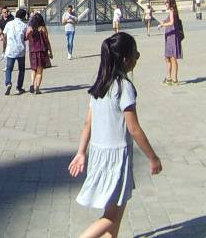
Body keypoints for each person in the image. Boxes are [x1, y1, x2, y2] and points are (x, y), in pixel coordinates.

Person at [69, 32, 162, 237]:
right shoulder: (124, 87)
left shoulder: (100, 86)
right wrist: (153, 157)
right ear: (125, 59)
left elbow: (87, 123)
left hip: (98, 154)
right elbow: (134, 128)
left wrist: (81, 152)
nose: (138, 58)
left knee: (115, 213)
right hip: (116, 157)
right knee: (111, 216)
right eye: (136, 54)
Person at [157, 0, 184, 85]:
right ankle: (169, 78)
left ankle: (174, 79)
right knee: (167, 58)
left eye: (167, 2)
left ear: (171, 3)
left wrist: (162, 25)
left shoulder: (172, 10)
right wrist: (163, 21)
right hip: (170, 37)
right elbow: (171, 20)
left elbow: (172, 22)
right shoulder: (172, 11)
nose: (165, 4)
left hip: (172, 37)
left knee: (172, 58)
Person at [3, 8, 29, 95]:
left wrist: (4, 49)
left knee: (9, 69)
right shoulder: (24, 25)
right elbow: (25, 38)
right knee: (21, 69)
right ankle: (19, 87)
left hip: (10, 49)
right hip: (20, 50)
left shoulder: (9, 24)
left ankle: (8, 83)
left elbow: (5, 37)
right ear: (24, 17)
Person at [26, 13, 53, 94]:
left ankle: (31, 84)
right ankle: (37, 89)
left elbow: (25, 38)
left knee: (33, 69)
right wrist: (50, 52)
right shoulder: (43, 29)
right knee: (39, 71)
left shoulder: (29, 29)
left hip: (32, 52)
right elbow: (47, 42)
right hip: (41, 51)